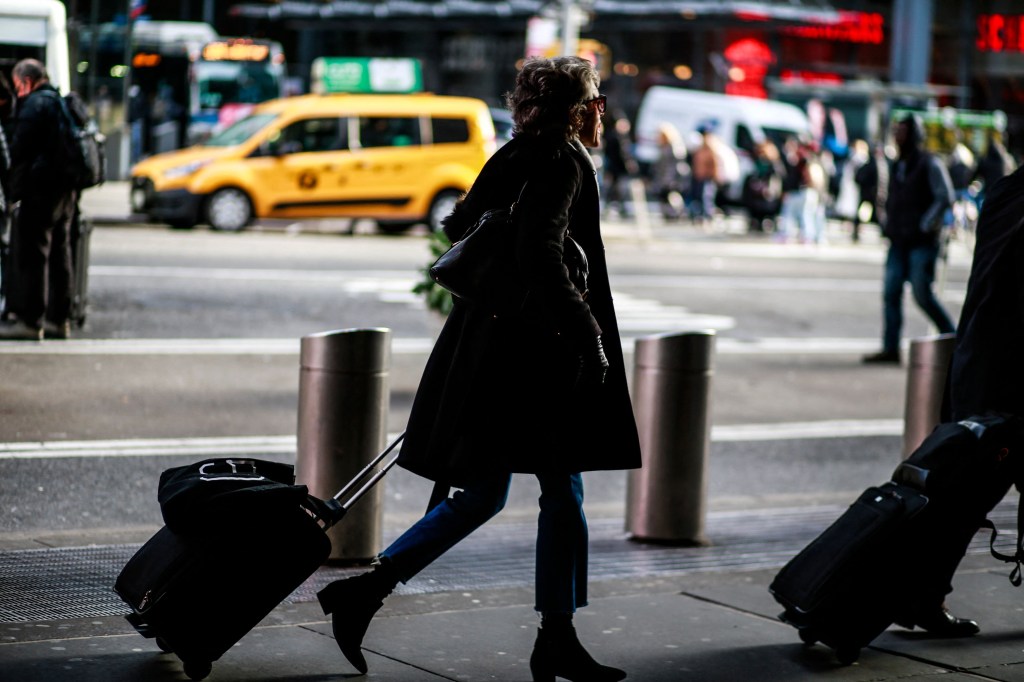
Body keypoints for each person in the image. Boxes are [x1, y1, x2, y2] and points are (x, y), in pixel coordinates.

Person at [316, 56, 641, 682]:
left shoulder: (514, 154)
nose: (602, 109)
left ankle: (366, 592)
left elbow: (462, 228)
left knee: (488, 494)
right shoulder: (562, 162)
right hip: (534, 358)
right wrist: (588, 335)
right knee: (560, 492)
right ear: (577, 109)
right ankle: (556, 638)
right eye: (596, 99)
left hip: (487, 349)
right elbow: (542, 258)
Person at [892, 165, 1024, 638]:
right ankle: (921, 595)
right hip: (1010, 378)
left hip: (980, 364)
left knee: (962, 497)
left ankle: (922, 595)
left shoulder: (1007, 190)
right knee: (967, 497)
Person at [862, 114, 955, 364]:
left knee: (922, 293)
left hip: (921, 241)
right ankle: (891, 348)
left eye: (903, 132)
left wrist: (926, 224)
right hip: (899, 239)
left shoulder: (928, 163)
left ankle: (954, 339)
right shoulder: (897, 164)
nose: (898, 136)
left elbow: (944, 196)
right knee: (891, 293)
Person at [0, 59, 76, 341]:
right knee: (60, 253)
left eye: (18, 85)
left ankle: (31, 321)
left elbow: (20, 152)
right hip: (66, 192)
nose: (17, 91)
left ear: (27, 81)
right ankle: (60, 320)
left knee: (33, 255)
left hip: (40, 190)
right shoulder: (61, 100)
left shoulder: (34, 106)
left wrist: (15, 193)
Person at [600, 112, 638, 217]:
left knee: (621, 189)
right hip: (615, 168)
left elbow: (627, 154)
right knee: (615, 189)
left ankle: (621, 207)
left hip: (622, 169)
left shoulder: (624, 138)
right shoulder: (613, 137)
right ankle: (613, 207)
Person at [649, 121, 689, 221]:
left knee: (672, 195)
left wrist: (669, 179)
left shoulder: (673, 147)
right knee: (665, 196)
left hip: (671, 177)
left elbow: (674, 165)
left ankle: (678, 213)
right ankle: (669, 214)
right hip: (663, 176)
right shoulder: (663, 147)